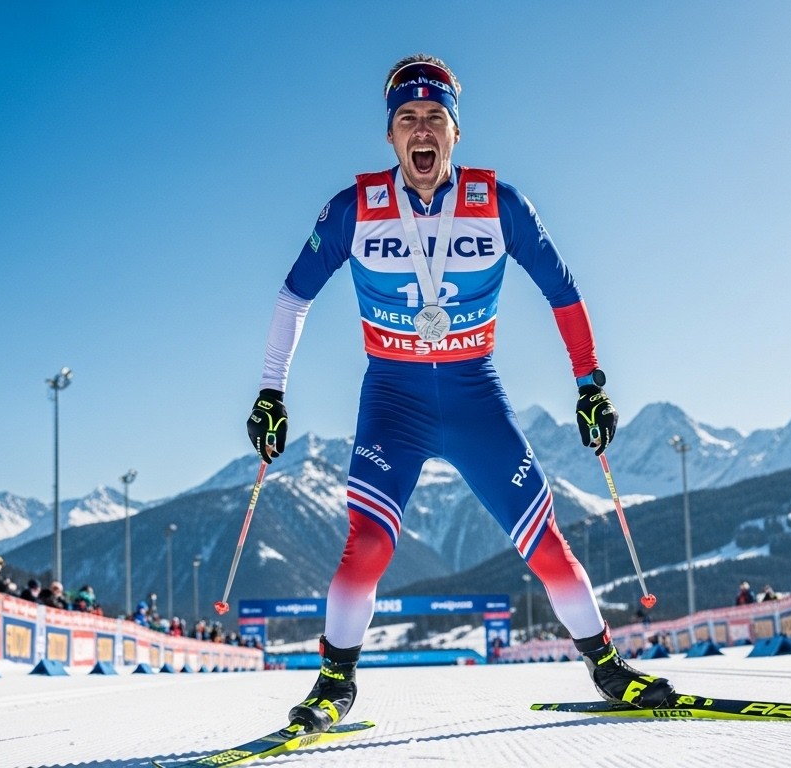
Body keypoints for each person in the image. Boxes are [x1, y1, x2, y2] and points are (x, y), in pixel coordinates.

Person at [244, 54, 674, 733]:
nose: (422, 132)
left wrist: (590, 384)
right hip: (394, 397)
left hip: (475, 393)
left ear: (455, 132)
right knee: (369, 545)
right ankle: (334, 681)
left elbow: (563, 292)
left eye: (435, 120)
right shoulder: (354, 208)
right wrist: (272, 392)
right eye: (408, 120)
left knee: (546, 543)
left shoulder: (499, 203)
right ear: (390, 136)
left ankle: (608, 668)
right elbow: (293, 295)